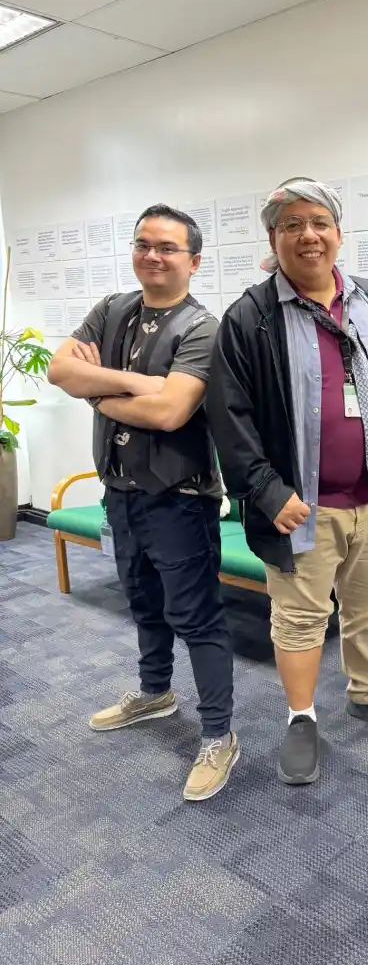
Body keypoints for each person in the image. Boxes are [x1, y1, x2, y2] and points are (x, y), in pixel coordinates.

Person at [206, 178, 368, 786]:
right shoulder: (252, 315)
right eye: (292, 224)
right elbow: (230, 416)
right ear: (274, 239)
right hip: (301, 506)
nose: (308, 235)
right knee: (299, 620)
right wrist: (269, 493)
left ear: (338, 233)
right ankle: (302, 717)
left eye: (319, 222)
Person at [47, 204, 238, 802]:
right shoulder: (112, 310)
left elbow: (171, 412)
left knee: (198, 618)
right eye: (142, 244)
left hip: (179, 499)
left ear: (194, 261)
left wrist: (100, 389)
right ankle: (155, 692)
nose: (152, 256)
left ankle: (218, 735)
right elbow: (58, 370)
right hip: (120, 492)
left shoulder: (204, 328)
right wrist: (136, 383)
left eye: (167, 248)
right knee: (142, 603)